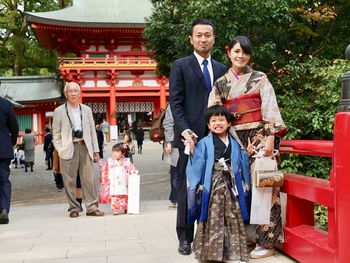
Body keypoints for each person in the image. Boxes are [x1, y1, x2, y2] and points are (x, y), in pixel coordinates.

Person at [208, 35, 287, 259]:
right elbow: (214, 114)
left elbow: (270, 107)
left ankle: (267, 240)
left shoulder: (260, 78)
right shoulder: (221, 83)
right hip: (232, 138)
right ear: (229, 53)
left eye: (245, 52)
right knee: (235, 188)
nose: (240, 56)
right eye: (236, 51)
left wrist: (271, 136)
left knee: (265, 186)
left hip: (261, 138)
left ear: (249, 55)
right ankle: (244, 238)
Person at [169, 18, 227, 255]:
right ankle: (185, 237)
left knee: (216, 187)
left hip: (216, 137)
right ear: (191, 39)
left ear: (214, 38)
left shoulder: (223, 69)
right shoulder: (181, 66)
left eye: (208, 35)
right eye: (199, 35)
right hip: (189, 139)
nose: (204, 39)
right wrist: (185, 131)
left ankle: (212, 236)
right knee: (187, 188)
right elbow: (176, 102)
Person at [187, 105, 250, 262]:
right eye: (213, 120)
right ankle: (211, 253)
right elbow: (198, 163)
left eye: (221, 119)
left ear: (229, 123)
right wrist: (193, 149)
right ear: (208, 125)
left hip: (231, 184)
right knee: (213, 216)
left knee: (233, 215)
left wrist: (246, 154)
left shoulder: (234, 143)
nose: (217, 123)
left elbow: (240, 162)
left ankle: (233, 251)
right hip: (213, 184)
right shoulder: (204, 142)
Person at [52, 81, 104, 218]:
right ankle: (74, 207)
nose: (73, 93)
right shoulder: (59, 111)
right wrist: (60, 149)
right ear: (66, 94)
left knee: (89, 179)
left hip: (85, 146)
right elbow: (55, 134)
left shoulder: (86, 109)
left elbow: (92, 131)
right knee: (69, 180)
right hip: (69, 148)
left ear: (79, 93)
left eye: (76, 91)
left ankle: (92, 207)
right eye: (70, 91)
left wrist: (96, 150)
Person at [99, 143, 137, 215]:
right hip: (114, 182)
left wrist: (132, 171)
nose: (114, 153)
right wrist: (101, 164)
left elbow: (131, 168)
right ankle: (115, 208)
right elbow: (104, 167)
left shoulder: (126, 161)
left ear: (123, 153)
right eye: (113, 151)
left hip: (124, 182)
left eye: (117, 151)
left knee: (125, 195)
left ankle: (126, 207)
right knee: (115, 195)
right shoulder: (110, 161)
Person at [0, 96, 19, 224]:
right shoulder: (5, 104)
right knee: (3, 180)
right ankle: (4, 209)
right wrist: (11, 143)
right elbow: (14, 126)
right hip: (3, 148)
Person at [162, 106, 179, 209]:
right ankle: (175, 198)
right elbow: (168, 123)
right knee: (176, 171)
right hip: (175, 142)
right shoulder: (173, 105)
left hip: (192, 140)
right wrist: (169, 141)